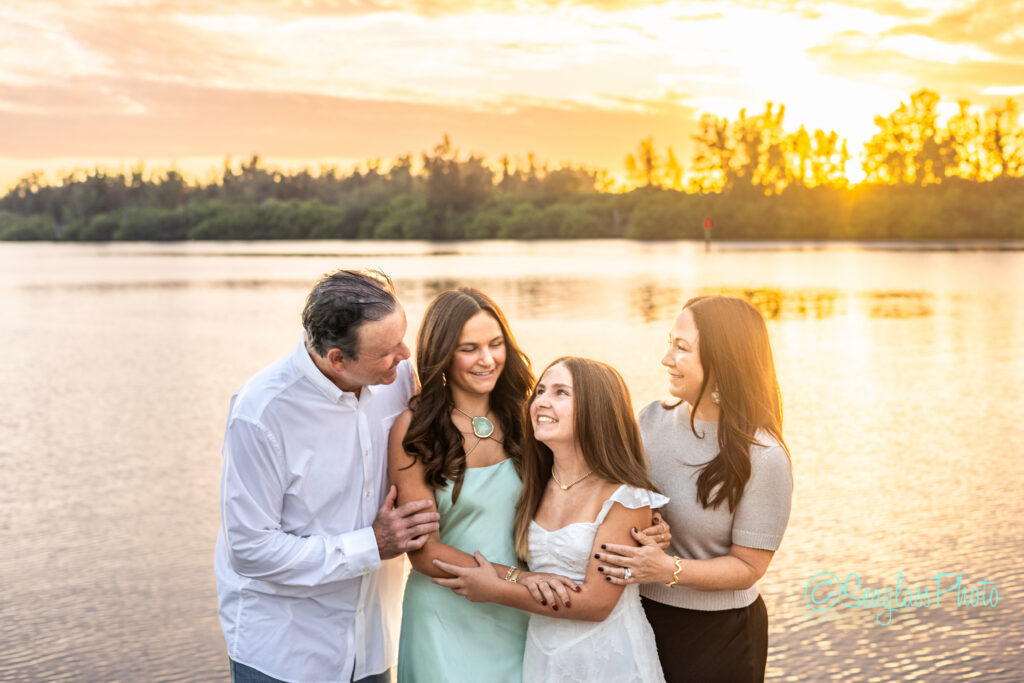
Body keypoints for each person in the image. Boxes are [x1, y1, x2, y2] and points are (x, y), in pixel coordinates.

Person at [214, 269, 441, 683]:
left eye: (402, 338)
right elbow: (249, 549)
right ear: (337, 358)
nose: (407, 355)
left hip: (375, 644)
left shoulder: (399, 376)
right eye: (388, 350)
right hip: (286, 653)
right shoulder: (261, 414)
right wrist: (371, 544)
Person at [432, 357, 669, 683]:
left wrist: (496, 590)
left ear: (595, 410)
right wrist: (512, 577)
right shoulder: (534, 484)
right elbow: (526, 569)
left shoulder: (624, 498)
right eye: (540, 390)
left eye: (561, 393)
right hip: (544, 655)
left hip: (608, 660)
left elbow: (597, 603)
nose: (541, 401)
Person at [595, 295, 794, 682]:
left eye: (681, 347)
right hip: (639, 617)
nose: (666, 358)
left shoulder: (764, 456)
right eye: (670, 342)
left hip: (720, 634)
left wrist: (667, 568)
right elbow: (622, 501)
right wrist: (647, 525)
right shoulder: (651, 420)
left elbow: (749, 567)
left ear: (722, 360)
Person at [388, 287, 578, 682]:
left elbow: (579, 485)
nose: (487, 360)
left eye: (495, 344)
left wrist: (640, 522)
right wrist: (519, 579)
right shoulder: (416, 429)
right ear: (442, 353)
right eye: (469, 348)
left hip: (521, 615)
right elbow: (423, 553)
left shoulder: (527, 415)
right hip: (445, 617)